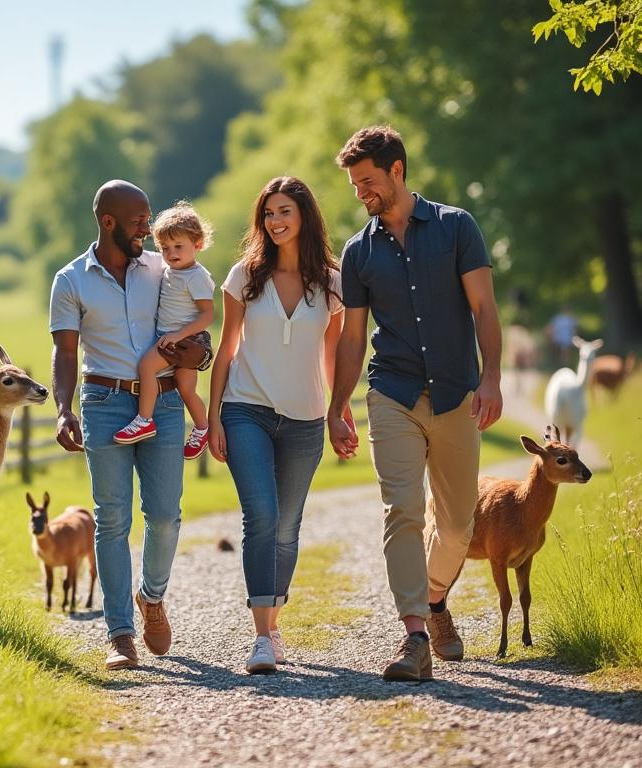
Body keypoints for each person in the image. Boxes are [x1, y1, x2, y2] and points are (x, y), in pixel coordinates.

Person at [327, 126, 503, 682]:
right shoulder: (359, 252)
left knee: (456, 527)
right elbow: (353, 338)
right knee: (401, 511)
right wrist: (338, 406)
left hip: (456, 394)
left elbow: (484, 309)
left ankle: (432, 599)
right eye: (356, 185)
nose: (362, 193)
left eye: (369, 181)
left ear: (397, 170)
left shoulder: (456, 228)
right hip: (392, 393)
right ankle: (415, 637)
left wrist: (492, 376)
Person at [50, 180, 202, 671]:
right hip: (103, 402)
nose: (149, 227)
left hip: (165, 402)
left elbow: (196, 327)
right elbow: (65, 351)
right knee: (111, 519)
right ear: (108, 221)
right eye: (139, 219)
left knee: (164, 515)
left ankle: (151, 597)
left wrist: (199, 353)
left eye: (149, 217)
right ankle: (120, 634)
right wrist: (63, 407)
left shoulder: (162, 267)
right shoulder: (71, 279)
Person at [207, 177, 346, 674]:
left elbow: (332, 354)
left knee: (287, 527)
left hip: (306, 418)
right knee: (261, 516)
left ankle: (274, 621)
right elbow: (226, 349)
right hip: (246, 409)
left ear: (304, 215)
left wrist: (339, 410)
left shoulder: (331, 282)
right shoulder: (244, 276)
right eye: (268, 213)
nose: (275, 221)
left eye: (284, 211)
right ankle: (262, 636)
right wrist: (213, 418)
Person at [112, 202, 216, 460]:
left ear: (198, 244)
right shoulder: (171, 270)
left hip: (184, 341)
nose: (171, 253)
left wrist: (178, 336)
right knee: (185, 387)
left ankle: (144, 419)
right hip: (178, 339)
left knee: (147, 366)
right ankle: (202, 428)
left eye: (178, 246)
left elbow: (207, 315)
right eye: (165, 248)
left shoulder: (196, 276)